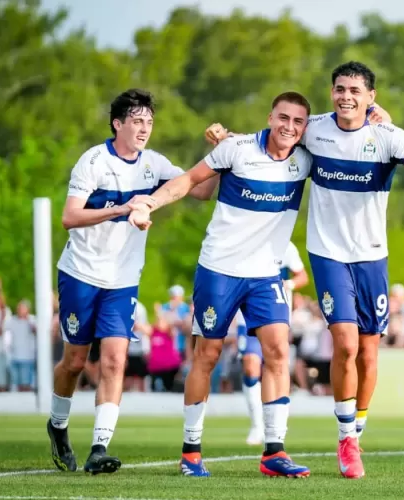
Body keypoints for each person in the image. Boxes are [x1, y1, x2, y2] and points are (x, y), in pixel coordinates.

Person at [205, 61, 404, 479]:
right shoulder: (315, 129)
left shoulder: (388, 136)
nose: (346, 97)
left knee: (369, 353)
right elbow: (272, 140)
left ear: (371, 97)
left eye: (355, 91)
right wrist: (224, 137)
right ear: (332, 92)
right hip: (327, 253)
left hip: (371, 256)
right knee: (345, 344)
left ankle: (358, 427)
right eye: (340, 89)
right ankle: (346, 439)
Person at [128, 91, 314, 478]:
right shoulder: (236, 149)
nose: (289, 127)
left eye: (298, 121)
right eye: (283, 118)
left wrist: (376, 114)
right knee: (207, 356)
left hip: (266, 274)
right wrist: (149, 203)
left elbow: (347, 135)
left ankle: (274, 451)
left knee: (278, 351)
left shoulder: (306, 157)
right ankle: (191, 452)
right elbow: (189, 180)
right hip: (219, 269)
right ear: (270, 117)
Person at [46, 89, 216, 475]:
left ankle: (99, 448)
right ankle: (57, 425)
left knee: (114, 359)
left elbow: (202, 191)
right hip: (80, 274)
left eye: (149, 122)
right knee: (74, 362)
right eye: (137, 121)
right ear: (117, 124)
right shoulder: (93, 161)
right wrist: (123, 209)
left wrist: (219, 155)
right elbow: (70, 217)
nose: (144, 128)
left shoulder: (154, 164)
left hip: (122, 281)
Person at [239, 241, 309, 446]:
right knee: (250, 366)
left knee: (276, 366)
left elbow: (302, 276)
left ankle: (276, 430)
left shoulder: (286, 245)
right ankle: (256, 425)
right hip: (247, 313)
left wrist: (289, 284)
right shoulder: (245, 240)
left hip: (277, 315)